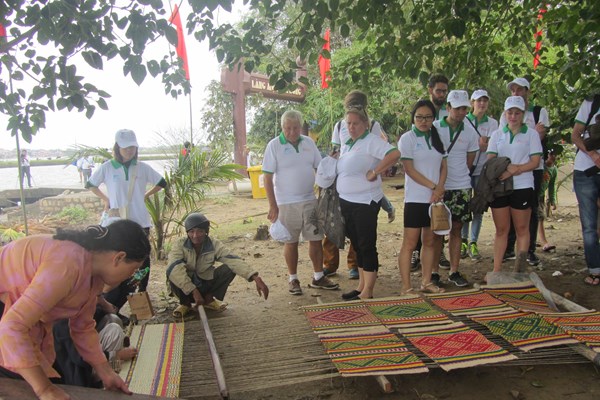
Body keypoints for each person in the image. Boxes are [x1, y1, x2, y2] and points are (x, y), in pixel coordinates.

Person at [0, 220, 151, 399]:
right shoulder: (67, 263)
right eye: (133, 269)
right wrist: (44, 390)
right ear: (118, 258)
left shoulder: (93, 276)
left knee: (50, 381)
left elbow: (83, 327)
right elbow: (11, 327)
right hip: (7, 316)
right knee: (28, 384)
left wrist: (106, 373)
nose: (132, 275)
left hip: (18, 320)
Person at [86, 129, 166, 305]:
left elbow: (162, 182)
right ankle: (116, 303)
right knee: (120, 264)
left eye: (132, 147)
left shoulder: (142, 168)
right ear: (117, 148)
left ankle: (140, 297)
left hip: (140, 222)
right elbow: (90, 184)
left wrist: (145, 195)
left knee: (142, 264)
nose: (129, 151)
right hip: (118, 225)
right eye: (125, 148)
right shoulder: (107, 167)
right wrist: (105, 199)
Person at [263, 110, 338, 295]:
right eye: (287, 128)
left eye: (295, 127)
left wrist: (322, 194)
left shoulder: (308, 143)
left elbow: (320, 168)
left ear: (300, 127)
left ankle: (318, 276)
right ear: (282, 127)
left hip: (309, 201)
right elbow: (267, 177)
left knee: (315, 239)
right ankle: (293, 279)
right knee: (291, 242)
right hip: (286, 203)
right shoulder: (274, 146)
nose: (292, 132)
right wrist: (273, 205)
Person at [326, 90, 395, 280]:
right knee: (343, 229)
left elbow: (389, 152)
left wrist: (376, 171)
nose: (351, 126)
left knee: (364, 240)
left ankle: (357, 269)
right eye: (350, 107)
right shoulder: (340, 125)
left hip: (366, 191)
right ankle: (332, 265)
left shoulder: (373, 128)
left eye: (357, 107)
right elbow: (337, 150)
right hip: (344, 187)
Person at [337, 104, 400, 300]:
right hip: (347, 200)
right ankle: (361, 285)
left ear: (365, 124)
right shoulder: (348, 143)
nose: (351, 127)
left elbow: (394, 154)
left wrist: (375, 171)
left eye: (355, 123)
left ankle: (368, 290)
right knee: (357, 244)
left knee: (366, 244)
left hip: (365, 201)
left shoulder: (371, 141)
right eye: (348, 123)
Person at [166, 213, 269, 317]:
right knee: (173, 272)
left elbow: (232, 260)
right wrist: (193, 291)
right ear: (187, 232)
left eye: (200, 231)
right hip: (186, 288)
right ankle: (185, 304)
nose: (195, 236)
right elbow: (174, 268)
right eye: (191, 232)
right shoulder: (180, 244)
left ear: (206, 231)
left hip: (204, 282)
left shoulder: (214, 244)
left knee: (229, 268)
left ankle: (208, 300)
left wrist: (255, 277)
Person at [487, 96, 543, 272]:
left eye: (517, 113)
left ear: (522, 114)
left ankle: (520, 269)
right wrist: (506, 167)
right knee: (501, 229)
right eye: (510, 112)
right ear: (505, 113)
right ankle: (496, 270)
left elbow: (535, 162)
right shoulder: (497, 134)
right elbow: (490, 159)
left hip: (523, 185)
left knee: (521, 228)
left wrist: (514, 169)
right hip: (501, 187)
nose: (513, 116)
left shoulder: (532, 134)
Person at [398, 99, 447, 294]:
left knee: (430, 241)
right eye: (419, 117)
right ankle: (406, 286)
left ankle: (426, 282)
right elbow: (409, 169)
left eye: (427, 117)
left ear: (433, 118)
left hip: (435, 200)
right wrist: (433, 186)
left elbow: (444, 166)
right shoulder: (407, 139)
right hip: (416, 199)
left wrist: (440, 188)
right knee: (410, 243)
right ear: (413, 118)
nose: (423, 121)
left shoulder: (438, 137)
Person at [501, 78, 550, 266]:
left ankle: (529, 250)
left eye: (519, 89)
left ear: (527, 91)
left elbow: (538, 136)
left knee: (529, 209)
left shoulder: (539, 112)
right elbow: (502, 137)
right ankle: (509, 248)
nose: (515, 93)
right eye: (512, 90)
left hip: (533, 169)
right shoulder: (505, 114)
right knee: (508, 206)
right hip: (508, 169)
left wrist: (530, 133)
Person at [431, 90, 479, 287]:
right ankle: (433, 272)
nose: (461, 112)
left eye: (464, 108)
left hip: (461, 186)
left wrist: (458, 177)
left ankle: (454, 270)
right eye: (457, 108)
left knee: (457, 229)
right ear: (448, 108)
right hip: (439, 187)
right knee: (437, 231)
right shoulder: (434, 127)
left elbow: (470, 160)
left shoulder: (469, 131)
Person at [460, 89, 499, 260]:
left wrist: (487, 143)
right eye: (478, 100)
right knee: (464, 206)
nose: (482, 104)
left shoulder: (493, 123)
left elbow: (494, 143)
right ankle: (462, 240)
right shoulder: (465, 121)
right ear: (472, 103)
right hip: (466, 169)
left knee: (479, 207)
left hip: (484, 171)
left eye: (485, 100)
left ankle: (473, 242)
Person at [570, 94, 600, 286]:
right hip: (585, 171)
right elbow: (575, 135)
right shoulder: (591, 103)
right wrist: (593, 154)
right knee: (589, 225)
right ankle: (595, 270)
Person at [537, 148, 558, 253]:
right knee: (538, 218)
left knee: (540, 218)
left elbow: (551, 185)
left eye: (554, 154)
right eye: (551, 154)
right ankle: (543, 242)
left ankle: (544, 242)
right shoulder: (541, 165)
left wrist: (552, 199)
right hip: (533, 194)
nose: (552, 156)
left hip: (540, 196)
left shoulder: (554, 170)